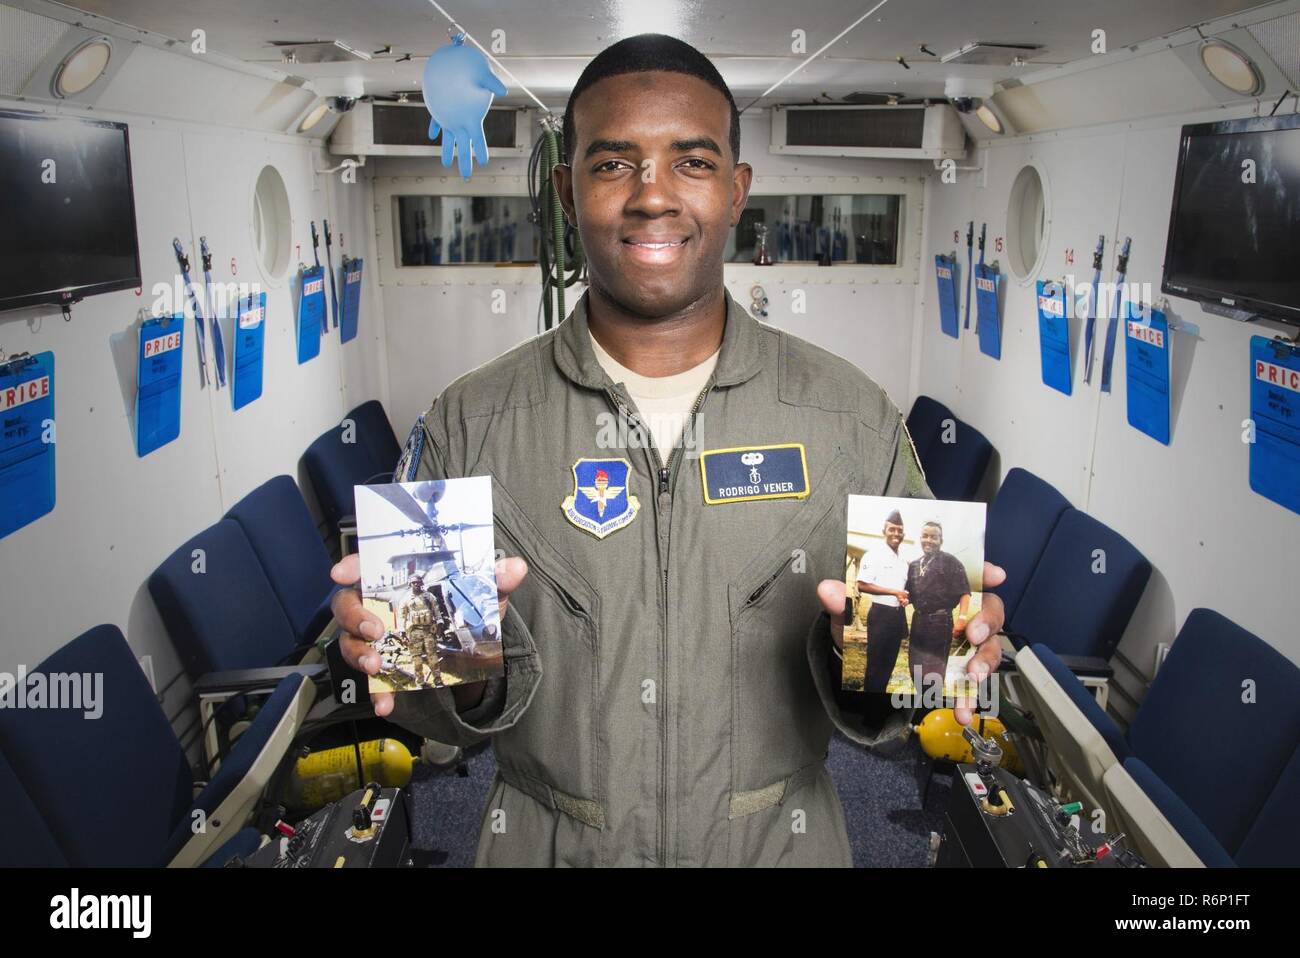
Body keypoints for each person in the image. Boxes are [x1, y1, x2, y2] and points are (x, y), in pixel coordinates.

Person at [331, 33, 1006, 867]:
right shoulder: (470, 421)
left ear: (735, 191)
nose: (654, 197)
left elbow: (911, 697)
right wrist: (443, 666)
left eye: (691, 162)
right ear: (566, 190)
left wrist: (924, 652)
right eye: (614, 164)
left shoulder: (853, 419)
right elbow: (429, 705)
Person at [903, 522, 973, 694]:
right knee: (916, 664)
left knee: (933, 669)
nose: (929, 540)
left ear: (941, 540)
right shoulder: (914, 565)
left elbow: (964, 592)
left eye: (934, 537)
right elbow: (909, 594)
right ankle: (919, 697)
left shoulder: (950, 561)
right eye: (925, 536)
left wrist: (962, 619)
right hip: (918, 620)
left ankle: (931, 699)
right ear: (920, 539)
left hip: (940, 622)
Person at [855, 509, 910, 693]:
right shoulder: (874, 554)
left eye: (899, 530)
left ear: (903, 534)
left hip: (897, 616)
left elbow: (902, 589)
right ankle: (868, 713)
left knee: (888, 666)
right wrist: (893, 592)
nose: (896, 533)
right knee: (874, 667)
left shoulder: (903, 560)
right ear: (884, 531)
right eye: (892, 529)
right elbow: (862, 585)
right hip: (880, 615)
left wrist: (903, 597)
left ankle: (877, 706)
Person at [396, 574, 442, 681]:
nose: (416, 584)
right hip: (414, 632)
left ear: (422, 583)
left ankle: (438, 679)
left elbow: (437, 611)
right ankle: (420, 681)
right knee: (416, 659)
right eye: (413, 582)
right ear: (410, 584)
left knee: (433, 657)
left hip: (429, 631)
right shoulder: (406, 599)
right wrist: (402, 631)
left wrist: (440, 624)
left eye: (418, 582)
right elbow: (401, 616)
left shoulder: (429, 596)